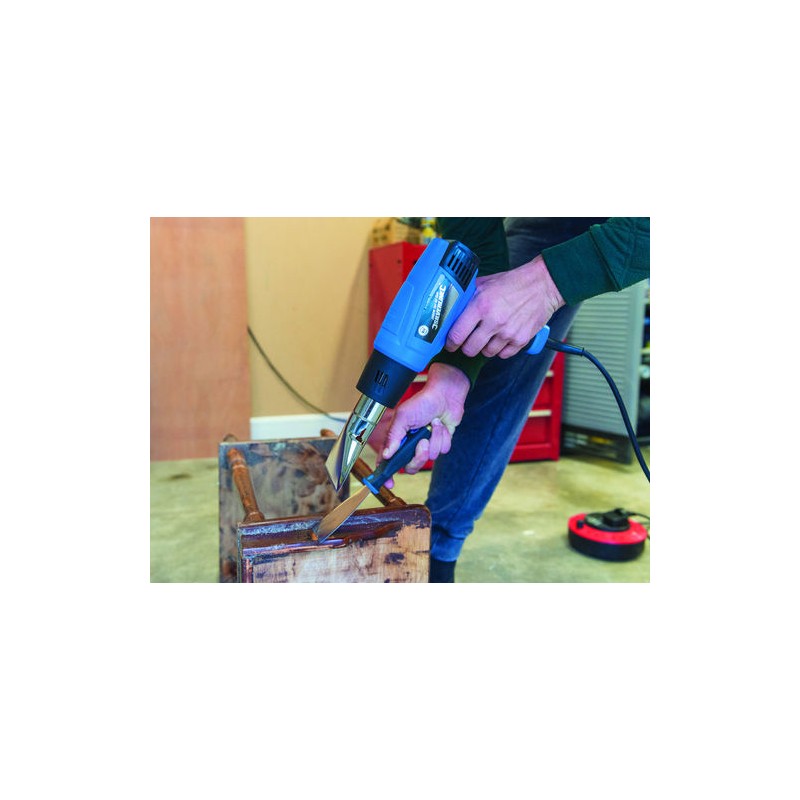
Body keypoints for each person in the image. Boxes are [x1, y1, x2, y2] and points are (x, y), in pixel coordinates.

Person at [368, 217, 650, 582]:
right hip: (551, 220)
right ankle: (437, 554)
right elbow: (473, 243)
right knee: (496, 336)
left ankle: (438, 550)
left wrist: (546, 284)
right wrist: (452, 375)